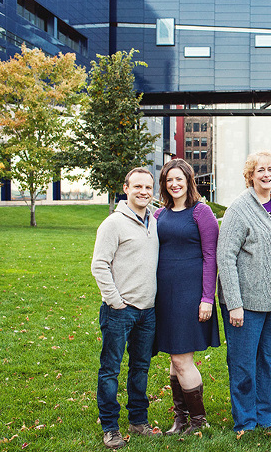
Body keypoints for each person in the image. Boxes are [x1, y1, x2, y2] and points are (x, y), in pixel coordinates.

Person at [216, 151, 271, 432]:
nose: (266, 174)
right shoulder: (239, 209)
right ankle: (246, 420)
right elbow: (224, 257)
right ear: (250, 175)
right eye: (260, 170)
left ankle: (264, 415)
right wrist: (234, 303)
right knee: (243, 363)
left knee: (268, 360)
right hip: (245, 303)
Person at [91, 167, 161, 449]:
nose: (144, 192)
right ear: (126, 188)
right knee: (110, 369)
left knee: (140, 367)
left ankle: (138, 420)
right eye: (138, 187)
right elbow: (99, 265)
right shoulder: (113, 224)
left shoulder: (154, 221)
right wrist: (115, 301)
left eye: (148, 187)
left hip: (148, 311)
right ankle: (110, 427)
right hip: (120, 310)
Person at [153, 159, 220, 435]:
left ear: (189, 181)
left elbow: (210, 257)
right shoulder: (158, 215)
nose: (174, 184)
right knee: (174, 358)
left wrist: (207, 297)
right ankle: (181, 419)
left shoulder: (200, 212)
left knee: (182, 359)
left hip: (190, 296)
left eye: (179, 179)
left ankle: (197, 420)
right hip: (163, 296)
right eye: (169, 180)